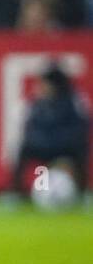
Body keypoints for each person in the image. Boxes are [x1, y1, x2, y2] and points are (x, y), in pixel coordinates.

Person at [11, 64, 89, 198]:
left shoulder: (73, 102)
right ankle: (15, 193)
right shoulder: (38, 103)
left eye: (44, 83)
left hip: (66, 147)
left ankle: (83, 192)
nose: (41, 87)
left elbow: (80, 129)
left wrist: (60, 144)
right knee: (23, 149)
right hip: (42, 146)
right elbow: (30, 128)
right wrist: (43, 143)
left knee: (82, 149)